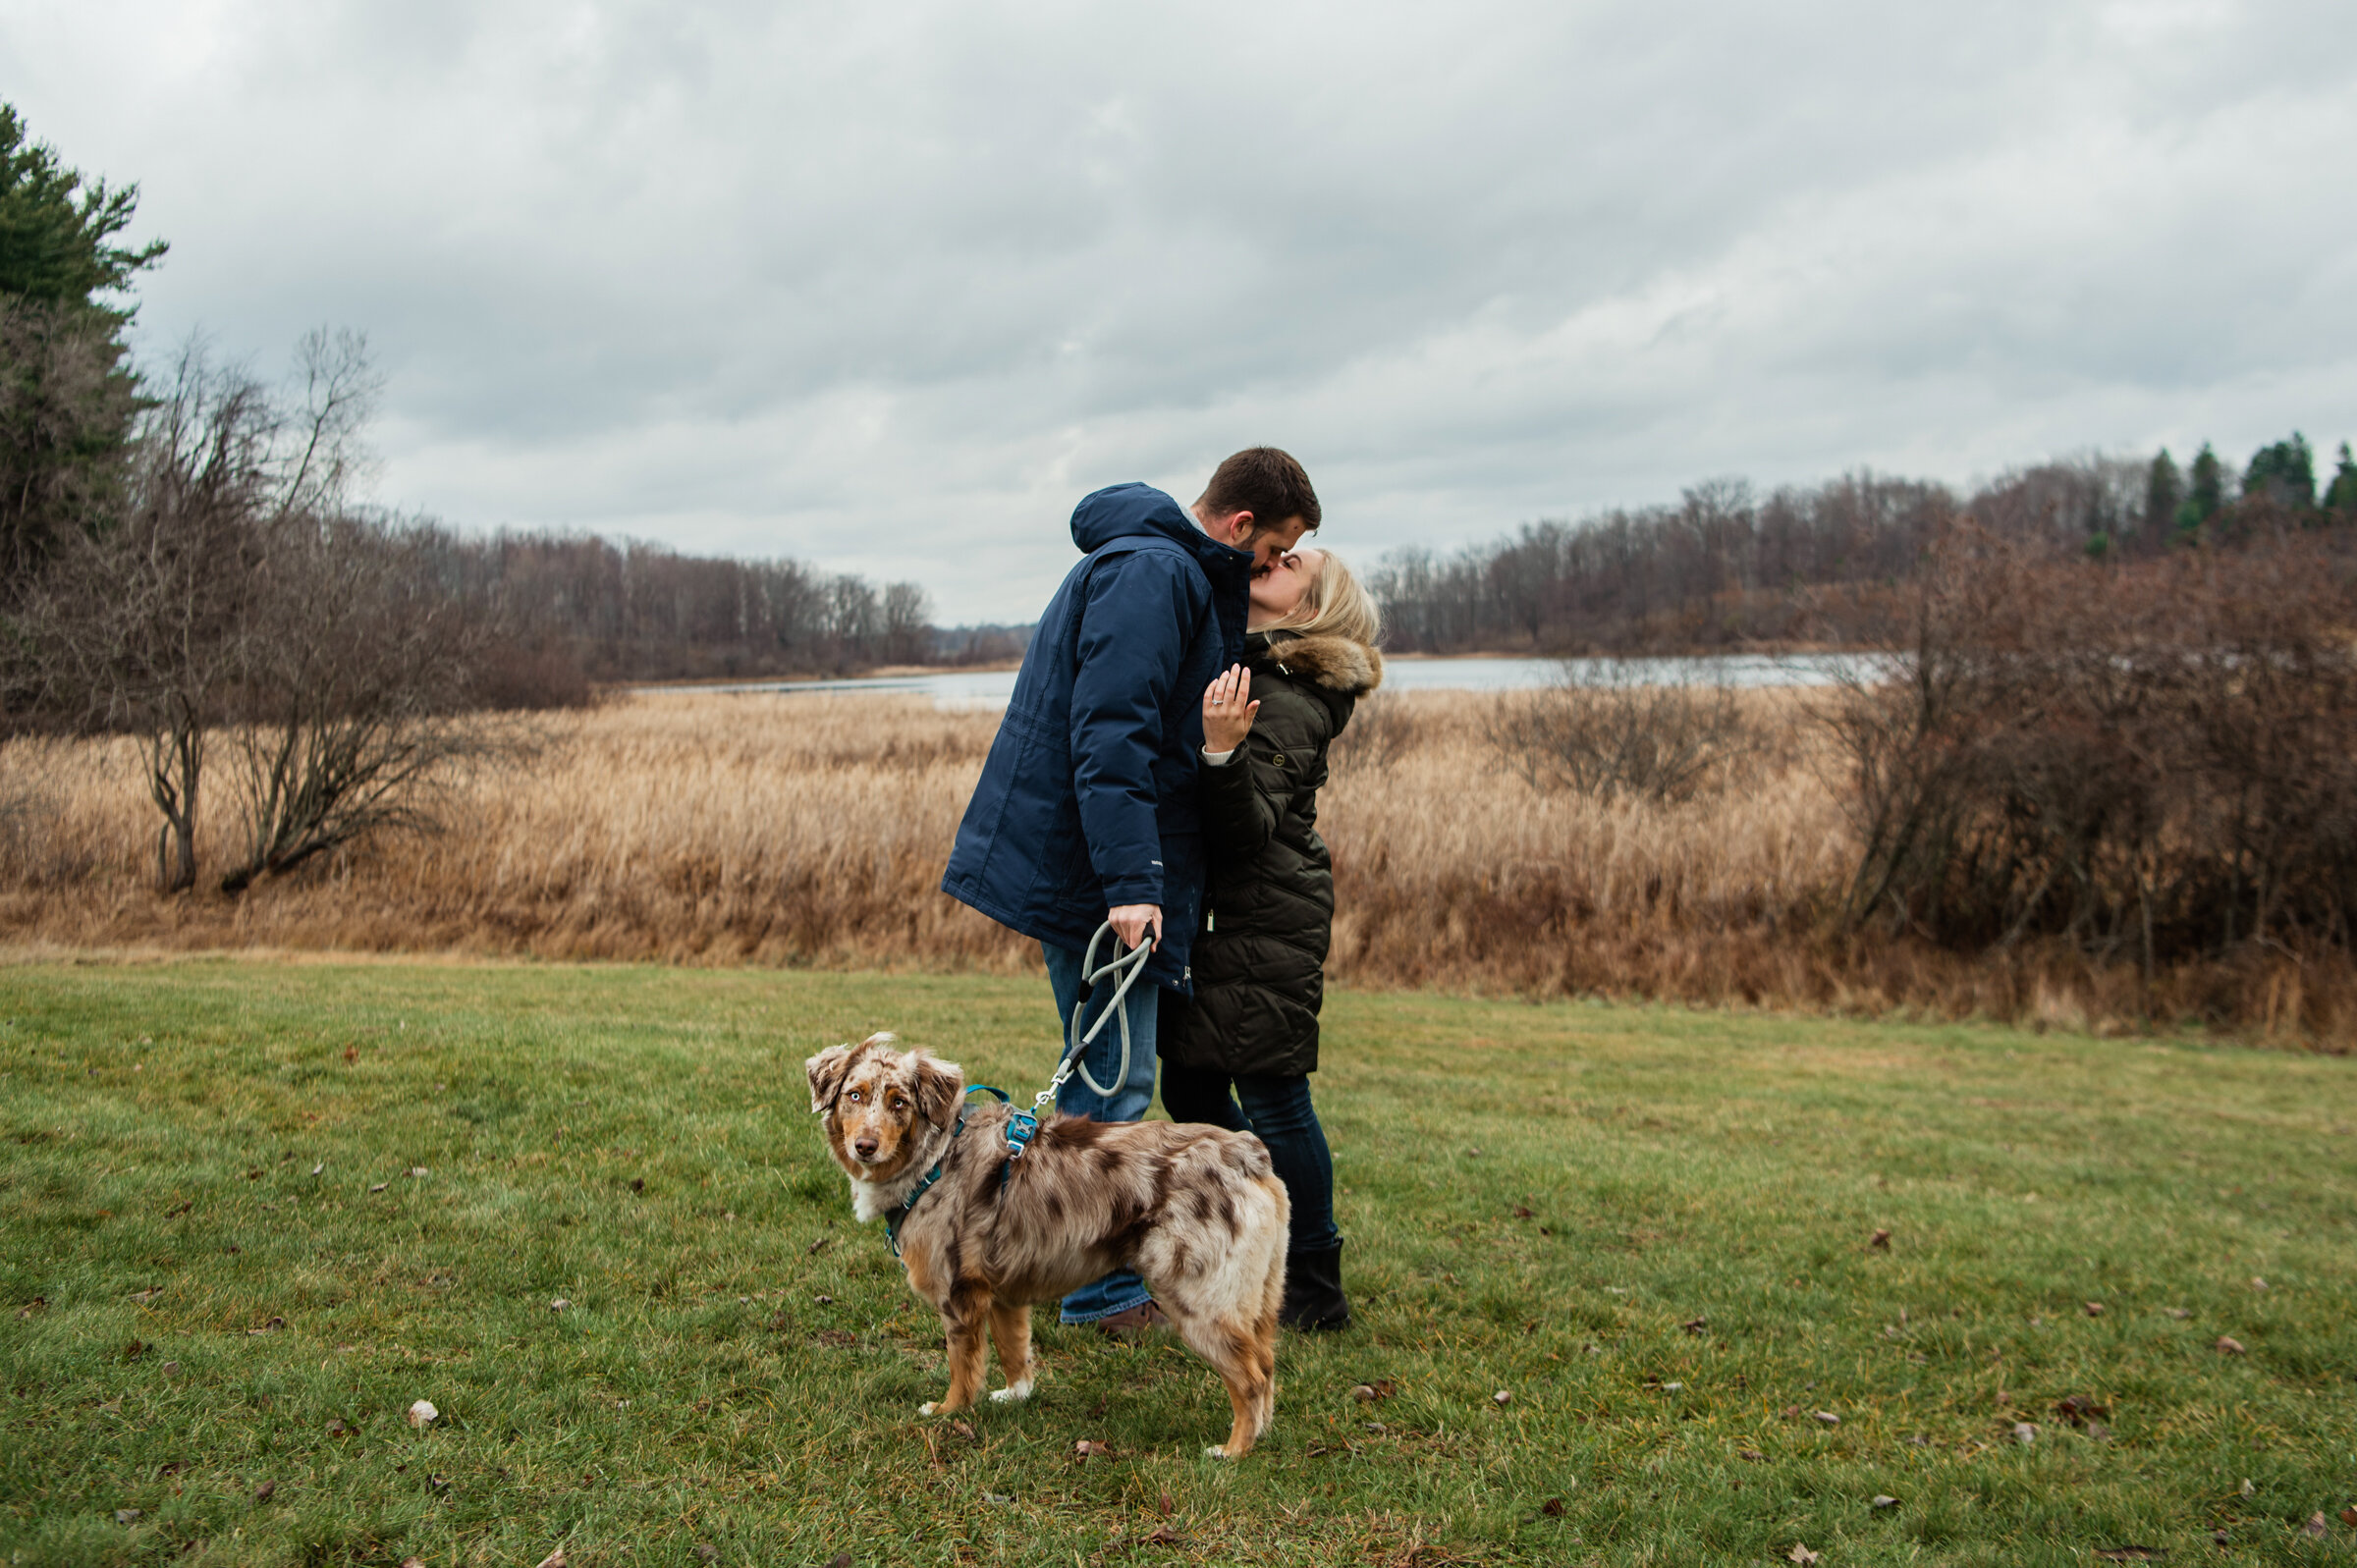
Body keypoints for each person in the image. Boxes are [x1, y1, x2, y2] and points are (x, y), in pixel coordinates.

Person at [942, 448, 1321, 1333]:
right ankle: (1105, 1294)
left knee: (1102, 1085)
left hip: (1101, 872)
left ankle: (1068, 1275)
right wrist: (1132, 882)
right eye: (1274, 552)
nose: (1268, 570)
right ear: (1239, 528)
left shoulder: (1161, 568)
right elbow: (1111, 735)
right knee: (1113, 1090)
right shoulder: (1156, 574)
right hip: (1098, 879)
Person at [1156, 546, 1383, 1332]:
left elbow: (1249, 826)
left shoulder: (1293, 692)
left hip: (1266, 913)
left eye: (1294, 564)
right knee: (1189, 1084)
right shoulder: (1256, 666)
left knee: (1275, 1093)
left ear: (1308, 607)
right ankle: (1240, 1235)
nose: (1274, 559)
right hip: (1231, 915)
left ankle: (1315, 1287)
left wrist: (1219, 747)